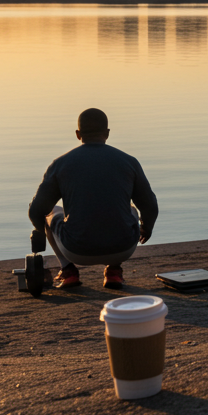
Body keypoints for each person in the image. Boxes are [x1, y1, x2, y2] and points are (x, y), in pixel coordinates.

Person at [29, 108, 159, 288]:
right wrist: (147, 228)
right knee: (131, 209)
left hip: (76, 250)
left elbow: (36, 211)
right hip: (123, 248)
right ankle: (114, 271)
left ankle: (68, 271)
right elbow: (150, 206)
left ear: (78, 134)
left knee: (51, 212)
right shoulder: (129, 162)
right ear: (107, 133)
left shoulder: (60, 164)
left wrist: (40, 233)